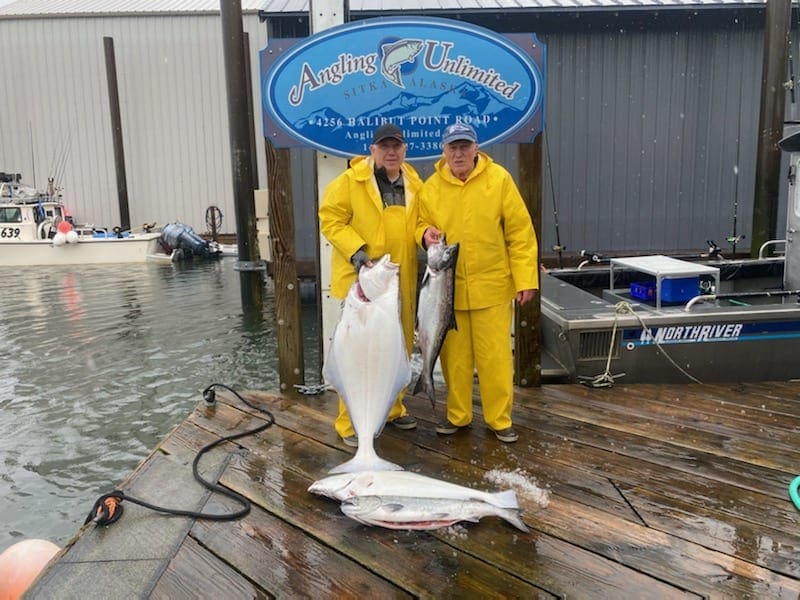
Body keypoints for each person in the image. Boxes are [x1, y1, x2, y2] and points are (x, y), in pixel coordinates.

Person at [415, 122, 539, 443]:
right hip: (447, 293)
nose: (459, 153)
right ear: (444, 150)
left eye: (464, 146)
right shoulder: (430, 188)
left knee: (495, 359)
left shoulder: (499, 180)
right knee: (454, 360)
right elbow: (419, 224)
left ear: (476, 148)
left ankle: (499, 419)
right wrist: (423, 234)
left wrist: (526, 279)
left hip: (494, 288)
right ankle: (458, 416)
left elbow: (520, 234)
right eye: (453, 147)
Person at [319, 123, 423, 447]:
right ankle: (349, 422)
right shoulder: (349, 182)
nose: (391, 152)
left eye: (397, 146)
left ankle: (393, 408)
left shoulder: (415, 183)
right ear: (372, 150)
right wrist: (357, 252)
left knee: (397, 346)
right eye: (385, 147)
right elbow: (330, 219)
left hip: (400, 278)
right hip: (361, 281)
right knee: (355, 353)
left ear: (405, 150)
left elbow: (422, 222)